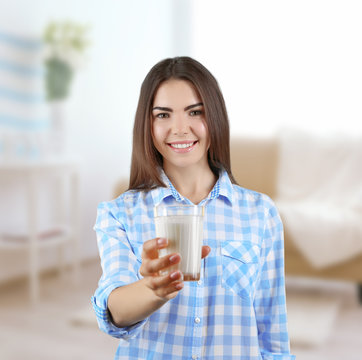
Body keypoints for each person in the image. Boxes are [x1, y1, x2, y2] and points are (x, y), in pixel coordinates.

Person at [92, 56, 295, 360]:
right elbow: (116, 312)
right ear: (147, 125)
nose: (179, 128)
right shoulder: (119, 214)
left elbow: (272, 334)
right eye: (163, 115)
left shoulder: (260, 213)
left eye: (195, 112)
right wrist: (152, 289)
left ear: (214, 116)